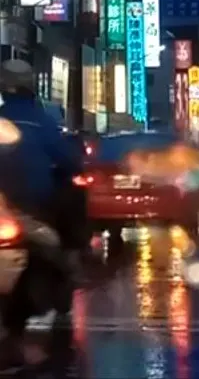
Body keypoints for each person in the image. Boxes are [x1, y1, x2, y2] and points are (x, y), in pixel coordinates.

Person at [0, 58, 81, 371]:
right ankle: (67, 270)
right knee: (57, 244)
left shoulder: (9, 118)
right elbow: (68, 161)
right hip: (32, 205)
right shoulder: (41, 121)